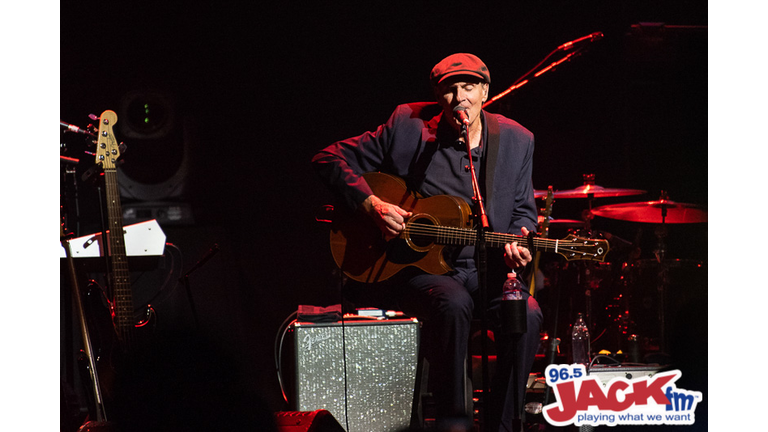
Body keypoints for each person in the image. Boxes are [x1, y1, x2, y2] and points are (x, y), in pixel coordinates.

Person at [312, 53, 543, 432]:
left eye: (468, 87)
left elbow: (523, 211)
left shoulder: (518, 139)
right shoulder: (407, 125)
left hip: (485, 268)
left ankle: (502, 425)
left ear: (485, 91)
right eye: (449, 90)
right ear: (438, 96)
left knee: (528, 313)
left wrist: (519, 239)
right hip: (419, 268)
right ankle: (454, 423)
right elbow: (328, 157)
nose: (459, 98)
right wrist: (371, 205)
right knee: (452, 303)